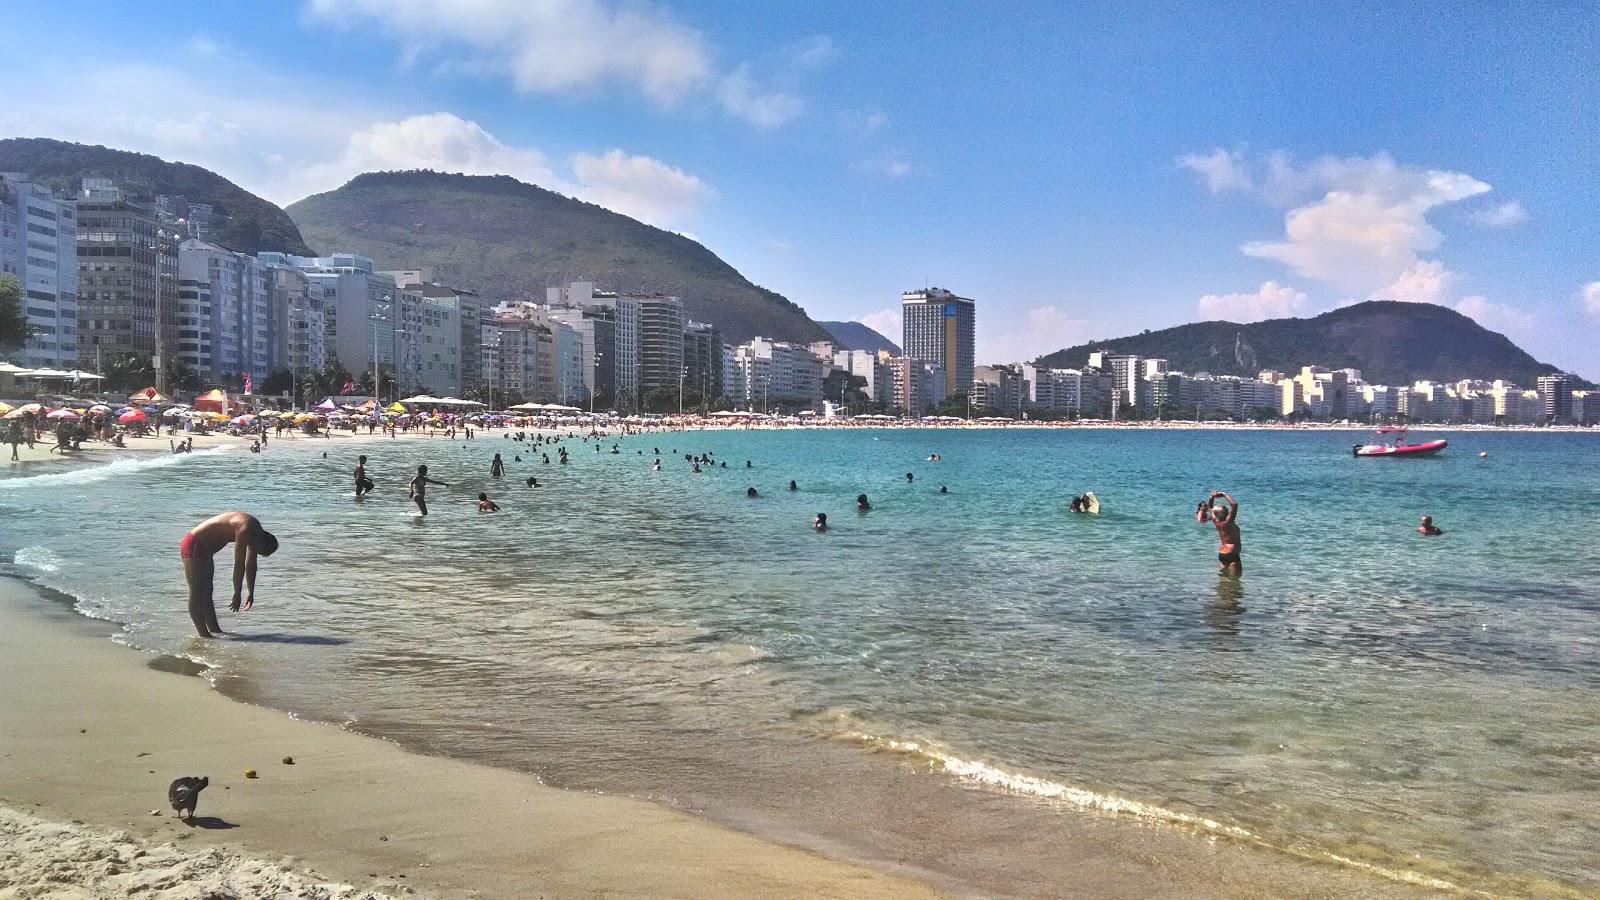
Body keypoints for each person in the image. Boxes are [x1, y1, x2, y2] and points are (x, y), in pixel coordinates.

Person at [179, 512, 278, 638]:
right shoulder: (246, 529)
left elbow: (251, 565)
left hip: (206, 550)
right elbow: (239, 564)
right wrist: (237, 593)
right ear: (262, 541)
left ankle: (215, 630)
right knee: (197, 591)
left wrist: (250, 593)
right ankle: (203, 634)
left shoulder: (256, 534)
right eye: (256, 550)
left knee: (207, 591)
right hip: (194, 545)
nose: (252, 549)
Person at [1208, 491, 1242, 575]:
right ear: (1226, 512)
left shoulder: (1216, 521)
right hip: (1232, 553)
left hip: (1222, 553)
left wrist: (1212, 497)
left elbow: (1210, 507)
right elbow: (1234, 504)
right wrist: (1223, 494)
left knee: (1223, 579)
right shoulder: (1228, 522)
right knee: (1235, 580)